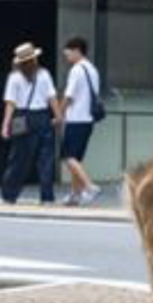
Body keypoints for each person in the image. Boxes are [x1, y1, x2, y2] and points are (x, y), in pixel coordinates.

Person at [0, 42, 60, 205]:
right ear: (35, 59)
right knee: (45, 159)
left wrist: (5, 125)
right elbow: (51, 97)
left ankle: (9, 196)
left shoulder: (14, 77)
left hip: (21, 117)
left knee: (18, 158)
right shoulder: (44, 74)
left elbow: (10, 103)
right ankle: (47, 198)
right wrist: (58, 116)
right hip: (42, 117)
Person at [59, 37, 102, 206]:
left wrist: (59, 114)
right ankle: (75, 195)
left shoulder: (77, 70)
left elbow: (69, 96)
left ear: (77, 50)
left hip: (76, 118)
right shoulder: (92, 69)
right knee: (76, 158)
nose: (67, 57)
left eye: (68, 53)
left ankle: (89, 187)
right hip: (88, 119)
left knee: (68, 156)